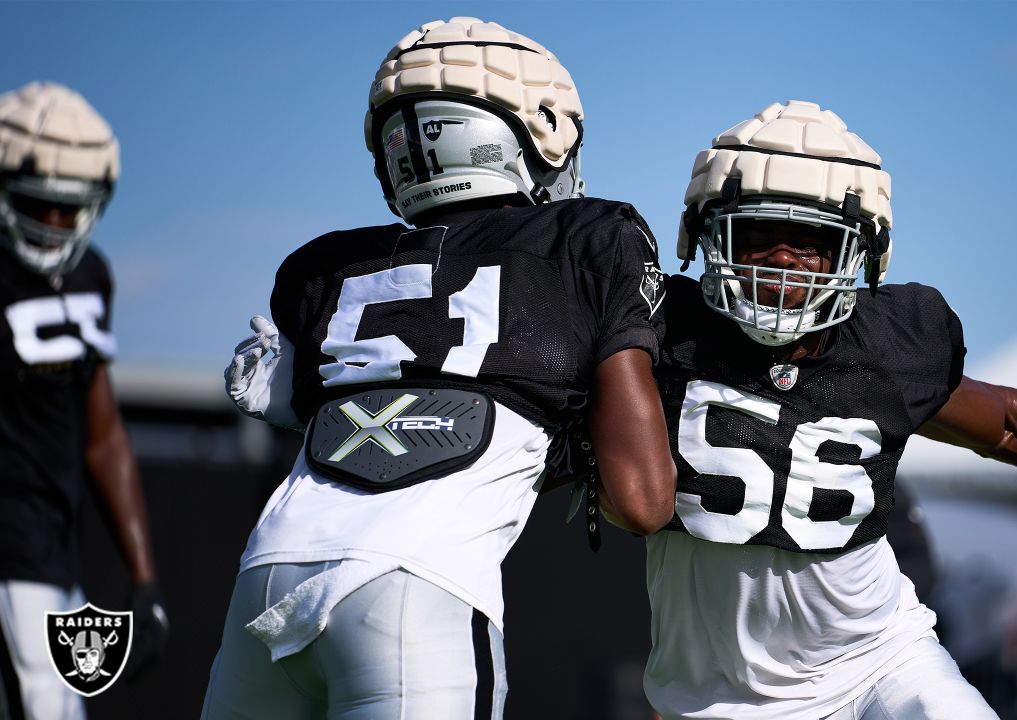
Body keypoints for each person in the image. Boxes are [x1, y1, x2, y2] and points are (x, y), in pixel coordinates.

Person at [642, 100, 1017, 720]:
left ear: (857, 254)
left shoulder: (885, 350)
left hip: (877, 662)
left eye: (811, 240)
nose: (782, 259)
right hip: (716, 695)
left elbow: (1011, 428)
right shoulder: (657, 338)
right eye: (758, 233)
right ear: (705, 233)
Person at [206, 17, 675, 719]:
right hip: (414, 584)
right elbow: (642, 501)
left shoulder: (325, 266)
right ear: (541, 126)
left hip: (267, 574)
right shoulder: (590, 238)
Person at [0, 82, 168, 719]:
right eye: (37, 205)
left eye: (69, 210)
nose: (53, 225)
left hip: (55, 544)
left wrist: (143, 577)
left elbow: (102, 433)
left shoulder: (92, 274)